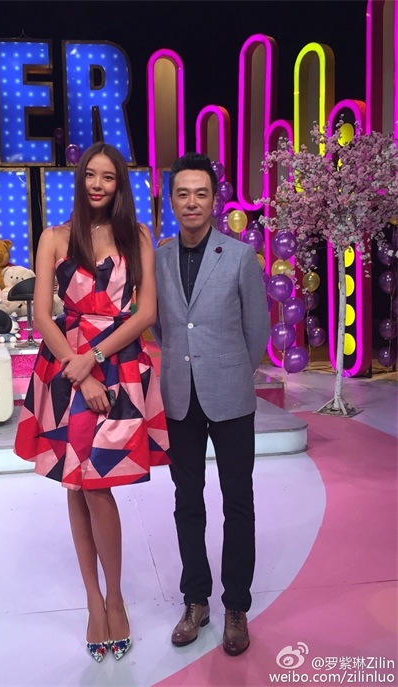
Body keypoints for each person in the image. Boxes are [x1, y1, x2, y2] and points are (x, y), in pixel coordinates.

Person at [15, 142, 170, 663]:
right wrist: (78, 372)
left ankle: (116, 599)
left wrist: (95, 358)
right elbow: (42, 314)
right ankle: (93, 602)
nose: (98, 184)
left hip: (118, 365)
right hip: (65, 370)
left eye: (108, 177)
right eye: (90, 175)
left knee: (98, 485)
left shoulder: (138, 236)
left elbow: (145, 312)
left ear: (119, 184)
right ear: (80, 180)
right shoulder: (55, 237)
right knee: (76, 485)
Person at [152, 152, 270, 656]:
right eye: (183, 193)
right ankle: (195, 600)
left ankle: (236, 606)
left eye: (201, 193)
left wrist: (231, 368)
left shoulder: (239, 256)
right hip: (180, 394)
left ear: (215, 199)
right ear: (171, 200)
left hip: (230, 394)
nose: (192, 202)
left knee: (238, 502)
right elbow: (159, 325)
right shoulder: (158, 257)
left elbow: (257, 330)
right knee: (187, 502)